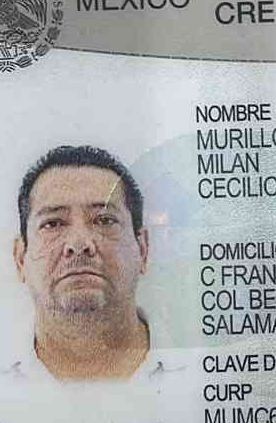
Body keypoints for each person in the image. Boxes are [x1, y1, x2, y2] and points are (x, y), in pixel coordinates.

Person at [10, 143, 174, 383]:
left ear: (143, 249)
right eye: (53, 223)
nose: (79, 244)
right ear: (20, 258)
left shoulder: (205, 369)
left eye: (104, 220)